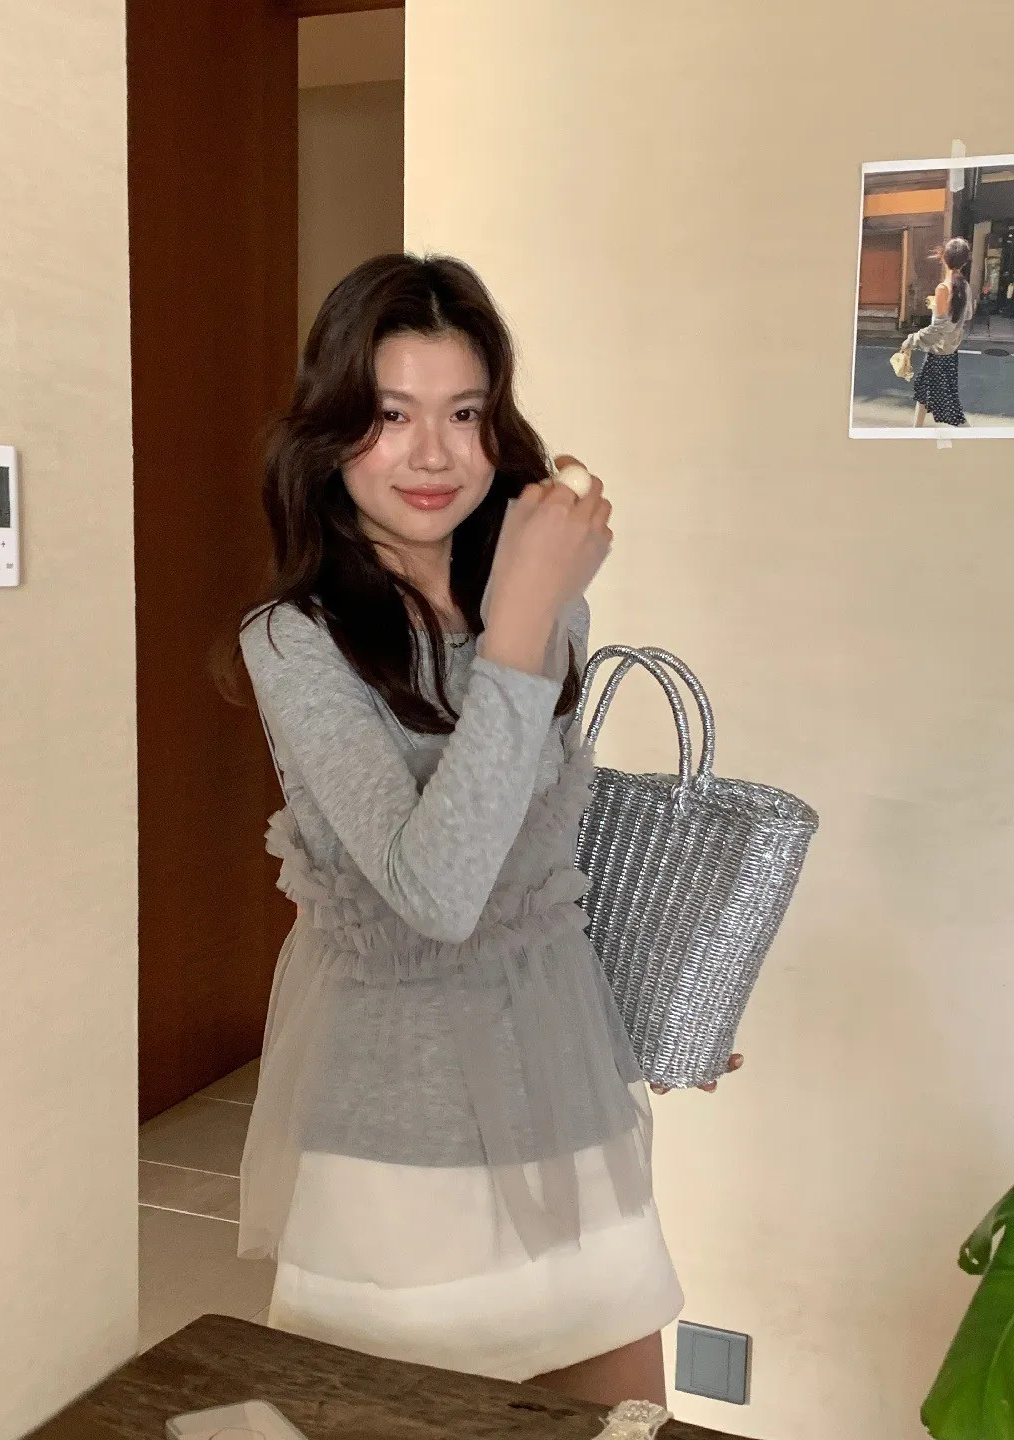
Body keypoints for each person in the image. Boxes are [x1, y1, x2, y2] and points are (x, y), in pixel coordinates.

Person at [224, 254, 739, 1407]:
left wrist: (650, 1010)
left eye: (463, 413)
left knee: (626, 1423)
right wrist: (523, 621)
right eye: (390, 414)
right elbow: (437, 894)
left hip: (564, 1090)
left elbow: (534, 851)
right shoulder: (296, 639)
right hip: (397, 1124)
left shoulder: (551, 604)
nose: (433, 454)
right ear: (331, 433)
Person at [901, 236, 974, 428]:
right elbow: (966, 315)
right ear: (964, 262)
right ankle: (915, 433)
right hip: (949, 352)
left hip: (939, 354)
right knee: (923, 395)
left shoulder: (943, 288)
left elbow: (938, 328)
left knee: (951, 410)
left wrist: (912, 339)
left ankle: (972, 438)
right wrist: (938, 306)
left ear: (943, 257)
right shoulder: (964, 287)